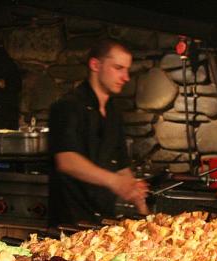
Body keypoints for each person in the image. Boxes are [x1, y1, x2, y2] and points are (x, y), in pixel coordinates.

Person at [48, 38, 149, 226]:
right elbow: (66, 160)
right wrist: (115, 182)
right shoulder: (67, 106)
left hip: (103, 220)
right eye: (118, 68)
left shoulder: (113, 112)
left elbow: (121, 166)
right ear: (95, 65)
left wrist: (142, 210)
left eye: (127, 69)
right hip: (70, 222)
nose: (126, 77)